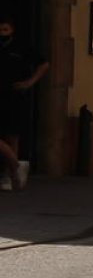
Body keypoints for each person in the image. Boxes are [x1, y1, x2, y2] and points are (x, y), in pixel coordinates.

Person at [0, 16, 48, 191]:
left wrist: (29, 82)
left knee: (12, 136)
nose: (2, 33)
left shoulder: (22, 48)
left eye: (5, 30)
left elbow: (44, 64)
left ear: (12, 30)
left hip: (14, 96)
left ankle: (10, 176)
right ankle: (16, 165)